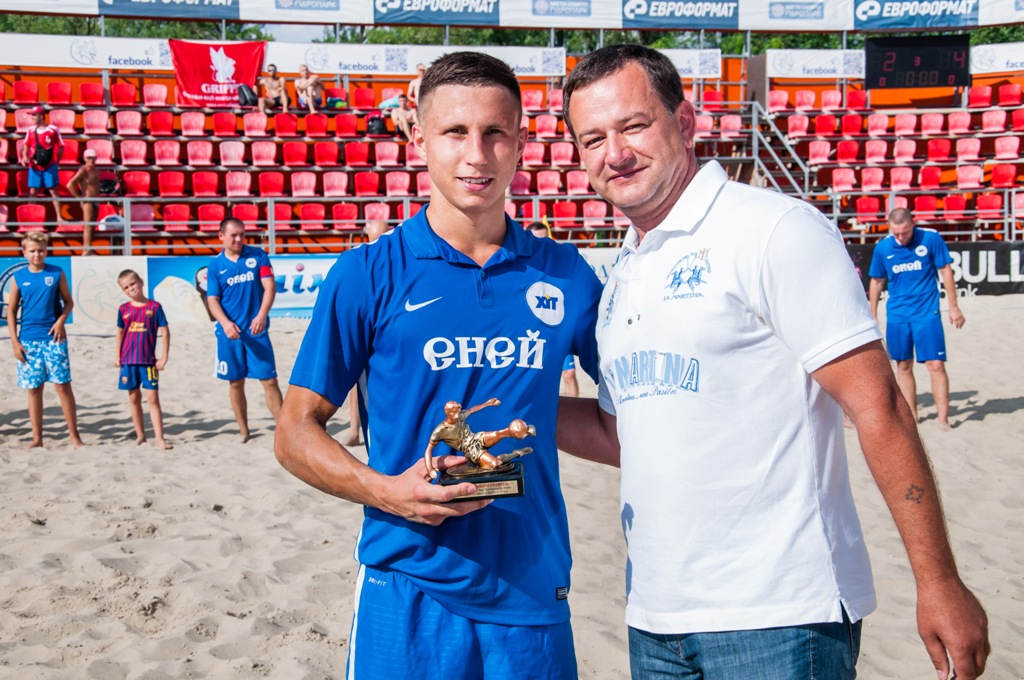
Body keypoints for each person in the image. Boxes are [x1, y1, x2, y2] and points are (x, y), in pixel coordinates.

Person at [556, 44, 989, 680]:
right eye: (593, 139)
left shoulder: (773, 229)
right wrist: (514, 404)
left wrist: (939, 580)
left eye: (633, 125)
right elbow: (626, 436)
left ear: (685, 121)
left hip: (781, 617)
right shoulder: (625, 268)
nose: (614, 153)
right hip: (655, 617)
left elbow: (881, 406)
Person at [275, 51, 602, 680]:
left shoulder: (567, 275)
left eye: (495, 132)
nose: (477, 154)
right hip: (406, 586)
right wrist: (389, 492)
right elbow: (293, 433)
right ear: (419, 140)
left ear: (521, 144)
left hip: (532, 591)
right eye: (455, 131)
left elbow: (630, 415)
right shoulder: (367, 274)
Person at [869, 208, 964, 431]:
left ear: (913, 224)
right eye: (896, 233)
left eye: (905, 232)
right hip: (898, 314)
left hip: (927, 313)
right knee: (903, 365)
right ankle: (912, 416)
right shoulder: (883, 247)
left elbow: (946, 270)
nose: (901, 237)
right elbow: (877, 281)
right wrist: (873, 313)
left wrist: (954, 307)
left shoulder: (930, 239)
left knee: (936, 364)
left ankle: (943, 419)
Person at [206, 217, 283, 442]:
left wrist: (262, 315)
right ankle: (244, 431)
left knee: (269, 381)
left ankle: (283, 430)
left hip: (257, 331)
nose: (239, 239)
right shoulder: (215, 265)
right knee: (236, 382)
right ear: (221, 236)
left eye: (242, 234)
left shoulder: (258, 256)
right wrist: (225, 323)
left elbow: (270, 287)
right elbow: (212, 300)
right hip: (230, 334)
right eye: (233, 235)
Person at [6, 231, 83, 449]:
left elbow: (69, 302)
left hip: (54, 339)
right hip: (28, 340)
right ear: (24, 252)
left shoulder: (56, 273)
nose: (37, 254)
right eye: (32, 251)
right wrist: (15, 341)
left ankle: (74, 436)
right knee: (34, 389)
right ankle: (37, 438)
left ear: (46, 250)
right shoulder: (18, 277)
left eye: (40, 250)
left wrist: (60, 322)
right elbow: (11, 310)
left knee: (62, 386)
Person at [342, 219, 393, 448]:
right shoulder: (358, 260)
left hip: (384, 331)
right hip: (365, 326)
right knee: (357, 383)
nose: (376, 241)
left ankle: (358, 430)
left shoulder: (395, 259)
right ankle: (354, 430)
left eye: (380, 236)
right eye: (373, 237)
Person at [115, 269, 172, 450]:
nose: (131, 288)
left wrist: (163, 358)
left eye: (132, 284)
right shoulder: (123, 309)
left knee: (152, 399)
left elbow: (165, 332)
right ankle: (140, 435)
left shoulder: (154, 307)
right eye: (126, 287)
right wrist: (117, 357)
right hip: (128, 362)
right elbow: (119, 334)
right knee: (134, 399)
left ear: (141, 282)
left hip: (148, 362)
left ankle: (159, 438)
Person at [528, 221, 579, 396]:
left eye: (546, 239)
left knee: (569, 374)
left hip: (558, 330)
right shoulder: (522, 269)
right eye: (537, 239)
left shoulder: (560, 266)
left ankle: (572, 413)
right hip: (533, 335)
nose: (542, 244)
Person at [21, 106, 64, 224]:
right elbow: (26, 145)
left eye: (34, 115)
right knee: (33, 191)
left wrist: (57, 161)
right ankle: (29, 218)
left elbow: (61, 146)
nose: (32, 117)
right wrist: (24, 157)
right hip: (34, 165)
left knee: (53, 190)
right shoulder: (30, 130)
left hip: (50, 165)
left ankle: (59, 217)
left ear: (41, 116)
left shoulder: (52, 129)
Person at [66, 148, 101, 255]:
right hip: (88, 201)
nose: (91, 160)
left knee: (92, 227)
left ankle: (88, 248)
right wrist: (79, 198)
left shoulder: (95, 170)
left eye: (93, 158)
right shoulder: (83, 170)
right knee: (88, 226)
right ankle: (85, 250)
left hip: (95, 200)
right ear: (85, 159)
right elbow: (70, 184)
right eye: (89, 158)